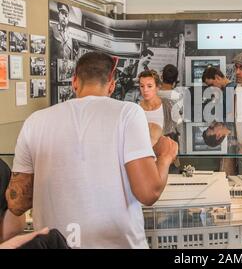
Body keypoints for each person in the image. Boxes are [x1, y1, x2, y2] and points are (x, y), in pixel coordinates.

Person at [6, 52, 178, 249]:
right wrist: (165, 156)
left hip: (55, 244)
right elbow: (149, 192)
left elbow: (17, 203)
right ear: (111, 85)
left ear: (74, 82)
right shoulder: (128, 113)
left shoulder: (35, 121)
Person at [138, 69, 166, 146]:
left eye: (149, 86)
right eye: (142, 86)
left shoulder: (167, 108)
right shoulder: (136, 109)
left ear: (157, 87)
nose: (145, 90)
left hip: (164, 153)